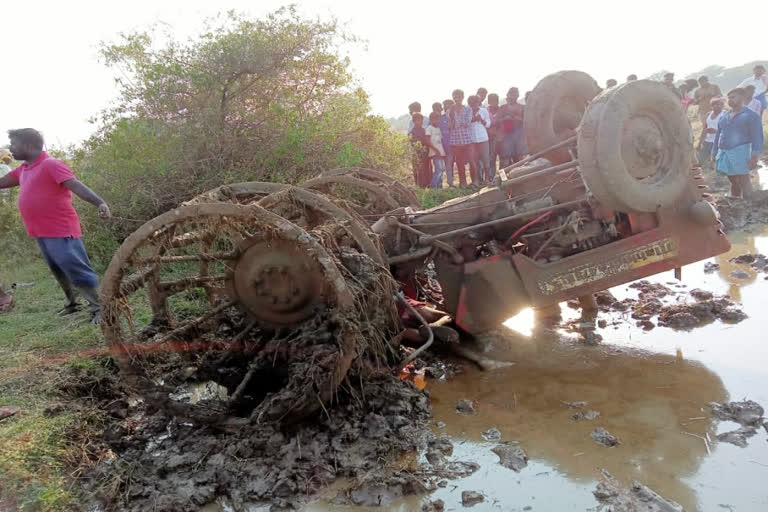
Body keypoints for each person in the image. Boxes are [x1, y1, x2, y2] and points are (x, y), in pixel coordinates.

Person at [0, 128, 111, 323]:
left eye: (14, 144)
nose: (10, 148)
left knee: (76, 268)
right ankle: (73, 304)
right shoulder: (24, 168)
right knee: (58, 270)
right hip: (41, 232)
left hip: (61, 230)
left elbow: (76, 185)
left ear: (28, 145)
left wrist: (100, 202)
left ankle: (100, 307)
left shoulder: (51, 164)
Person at [712, 89, 764, 199]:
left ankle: (749, 204)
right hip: (724, 151)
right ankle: (736, 201)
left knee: (743, 179)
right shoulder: (724, 116)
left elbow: (757, 137)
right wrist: (714, 152)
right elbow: (718, 135)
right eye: (729, 97)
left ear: (743, 98)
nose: (730, 100)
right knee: (732, 179)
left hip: (741, 151)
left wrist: (754, 156)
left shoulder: (751, 116)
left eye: (733, 97)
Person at [449, 89, 475, 187]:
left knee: (472, 161)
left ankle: (475, 182)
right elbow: (451, 126)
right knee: (459, 163)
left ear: (462, 97)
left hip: (467, 139)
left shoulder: (468, 109)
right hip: (455, 141)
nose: (457, 99)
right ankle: (463, 183)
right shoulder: (450, 111)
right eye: (455, 97)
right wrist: (452, 115)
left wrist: (456, 121)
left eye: (458, 96)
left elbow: (467, 123)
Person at [495, 87, 527, 167]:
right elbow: (496, 121)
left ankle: (521, 176)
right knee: (505, 159)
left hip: (519, 135)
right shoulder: (503, 108)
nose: (512, 97)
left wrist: (516, 118)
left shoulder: (522, 107)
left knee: (520, 158)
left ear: (517, 96)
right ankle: (504, 178)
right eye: (511, 94)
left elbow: (526, 121)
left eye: (515, 95)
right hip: (506, 135)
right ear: (508, 95)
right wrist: (504, 119)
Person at [468, 95, 491, 184]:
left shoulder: (484, 111)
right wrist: (473, 119)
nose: (473, 105)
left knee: (485, 159)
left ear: (478, 103)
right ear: (469, 104)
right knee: (474, 160)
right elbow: (465, 124)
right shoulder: (467, 112)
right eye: (471, 103)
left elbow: (488, 124)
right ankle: (476, 180)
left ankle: (487, 179)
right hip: (472, 139)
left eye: (475, 103)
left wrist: (481, 120)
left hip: (483, 138)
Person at [697, 97, 725, 169]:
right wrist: (700, 143)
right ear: (711, 106)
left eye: (719, 104)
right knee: (699, 161)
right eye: (715, 104)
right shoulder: (708, 114)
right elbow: (704, 129)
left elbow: (728, 130)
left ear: (722, 105)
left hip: (719, 141)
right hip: (708, 140)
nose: (718, 106)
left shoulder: (724, 115)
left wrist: (716, 131)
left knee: (715, 163)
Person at [409, 114, 432, 188]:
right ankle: (419, 186)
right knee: (417, 171)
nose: (420, 121)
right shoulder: (412, 132)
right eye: (418, 120)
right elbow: (413, 143)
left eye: (421, 120)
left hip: (425, 153)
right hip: (416, 154)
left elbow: (427, 142)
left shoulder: (424, 130)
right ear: (414, 121)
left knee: (426, 170)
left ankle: (427, 185)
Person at [426, 112, 447, 188]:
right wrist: (436, 150)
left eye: (438, 119)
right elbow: (428, 141)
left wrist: (441, 152)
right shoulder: (429, 128)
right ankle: (433, 187)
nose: (437, 121)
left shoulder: (438, 129)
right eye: (436, 119)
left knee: (441, 170)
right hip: (435, 153)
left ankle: (439, 186)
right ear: (431, 120)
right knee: (438, 170)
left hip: (440, 152)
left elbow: (440, 141)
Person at [441, 99, 454, 186]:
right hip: (442, 145)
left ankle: (451, 182)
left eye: (448, 105)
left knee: (451, 164)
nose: (446, 107)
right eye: (445, 105)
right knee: (445, 165)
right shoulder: (440, 118)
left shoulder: (455, 117)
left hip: (453, 144)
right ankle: (447, 182)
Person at [487, 93, 501, 177]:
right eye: (491, 101)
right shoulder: (485, 110)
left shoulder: (502, 110)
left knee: (503, 158)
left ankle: (501, 176)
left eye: (495, 101)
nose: (493, 103)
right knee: (491, 158)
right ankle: (491, 177)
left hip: (501, 138)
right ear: (488, 101)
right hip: (489, 137)